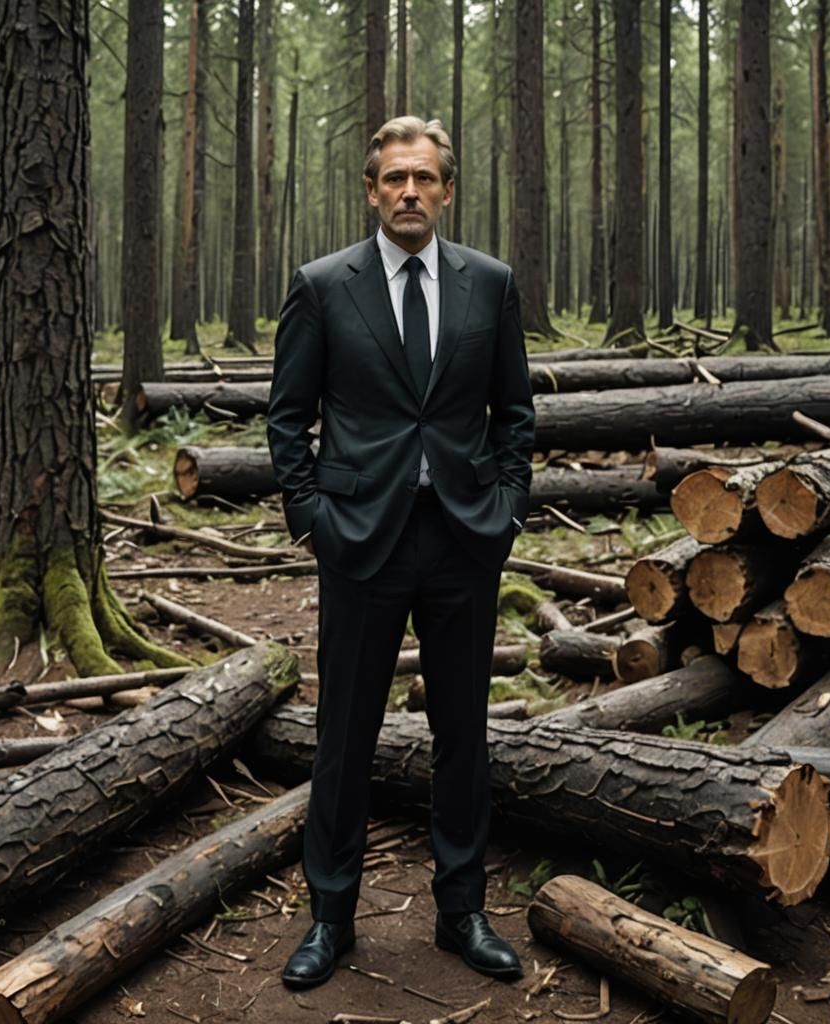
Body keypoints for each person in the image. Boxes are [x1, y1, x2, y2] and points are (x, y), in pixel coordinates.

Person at [267, 115, 535, 990]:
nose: (409, 192)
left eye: (424, 178)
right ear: (371, 190)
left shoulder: (489, 284)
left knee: (464, 733)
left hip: (463, 539)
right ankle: (329, 918)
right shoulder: (322, 286)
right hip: (359, 541)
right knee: (345, 735)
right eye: (394, 179)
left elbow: (515, 414)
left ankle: (462, 911)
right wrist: (313, 520)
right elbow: (287, 418)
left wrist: (506, 511)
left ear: (447, 191)